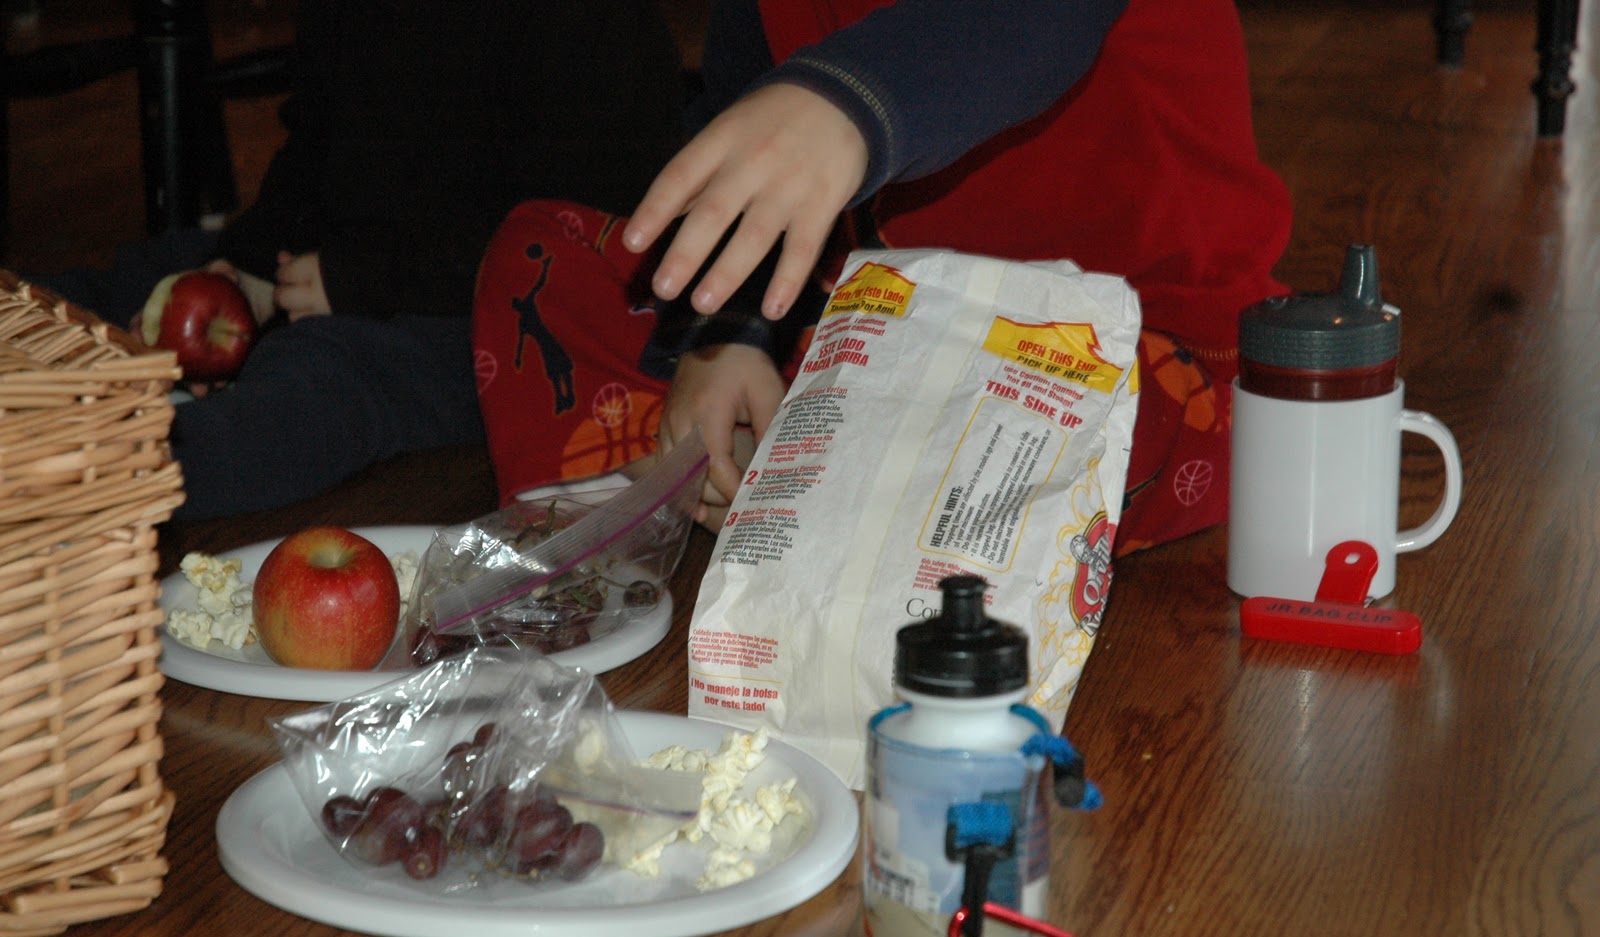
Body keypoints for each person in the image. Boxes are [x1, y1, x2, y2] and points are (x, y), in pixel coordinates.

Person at [473, 0, 1293, 554]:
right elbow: (748, 134)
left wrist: (845, 105)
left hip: (1139, 351)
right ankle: (752, 475)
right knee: (542, 259)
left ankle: (795, 484)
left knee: (1047, 428)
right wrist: (725, 335)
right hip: (886, 321)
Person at [32, 0, 686, 521]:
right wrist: (249, 265)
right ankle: (24, 369)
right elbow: (313, 146)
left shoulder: (584, 23)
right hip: (342, 255)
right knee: (149, 273)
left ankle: (90, 471)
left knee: (322, 379)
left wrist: (365, 276)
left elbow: (576, 229)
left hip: (499, 318)